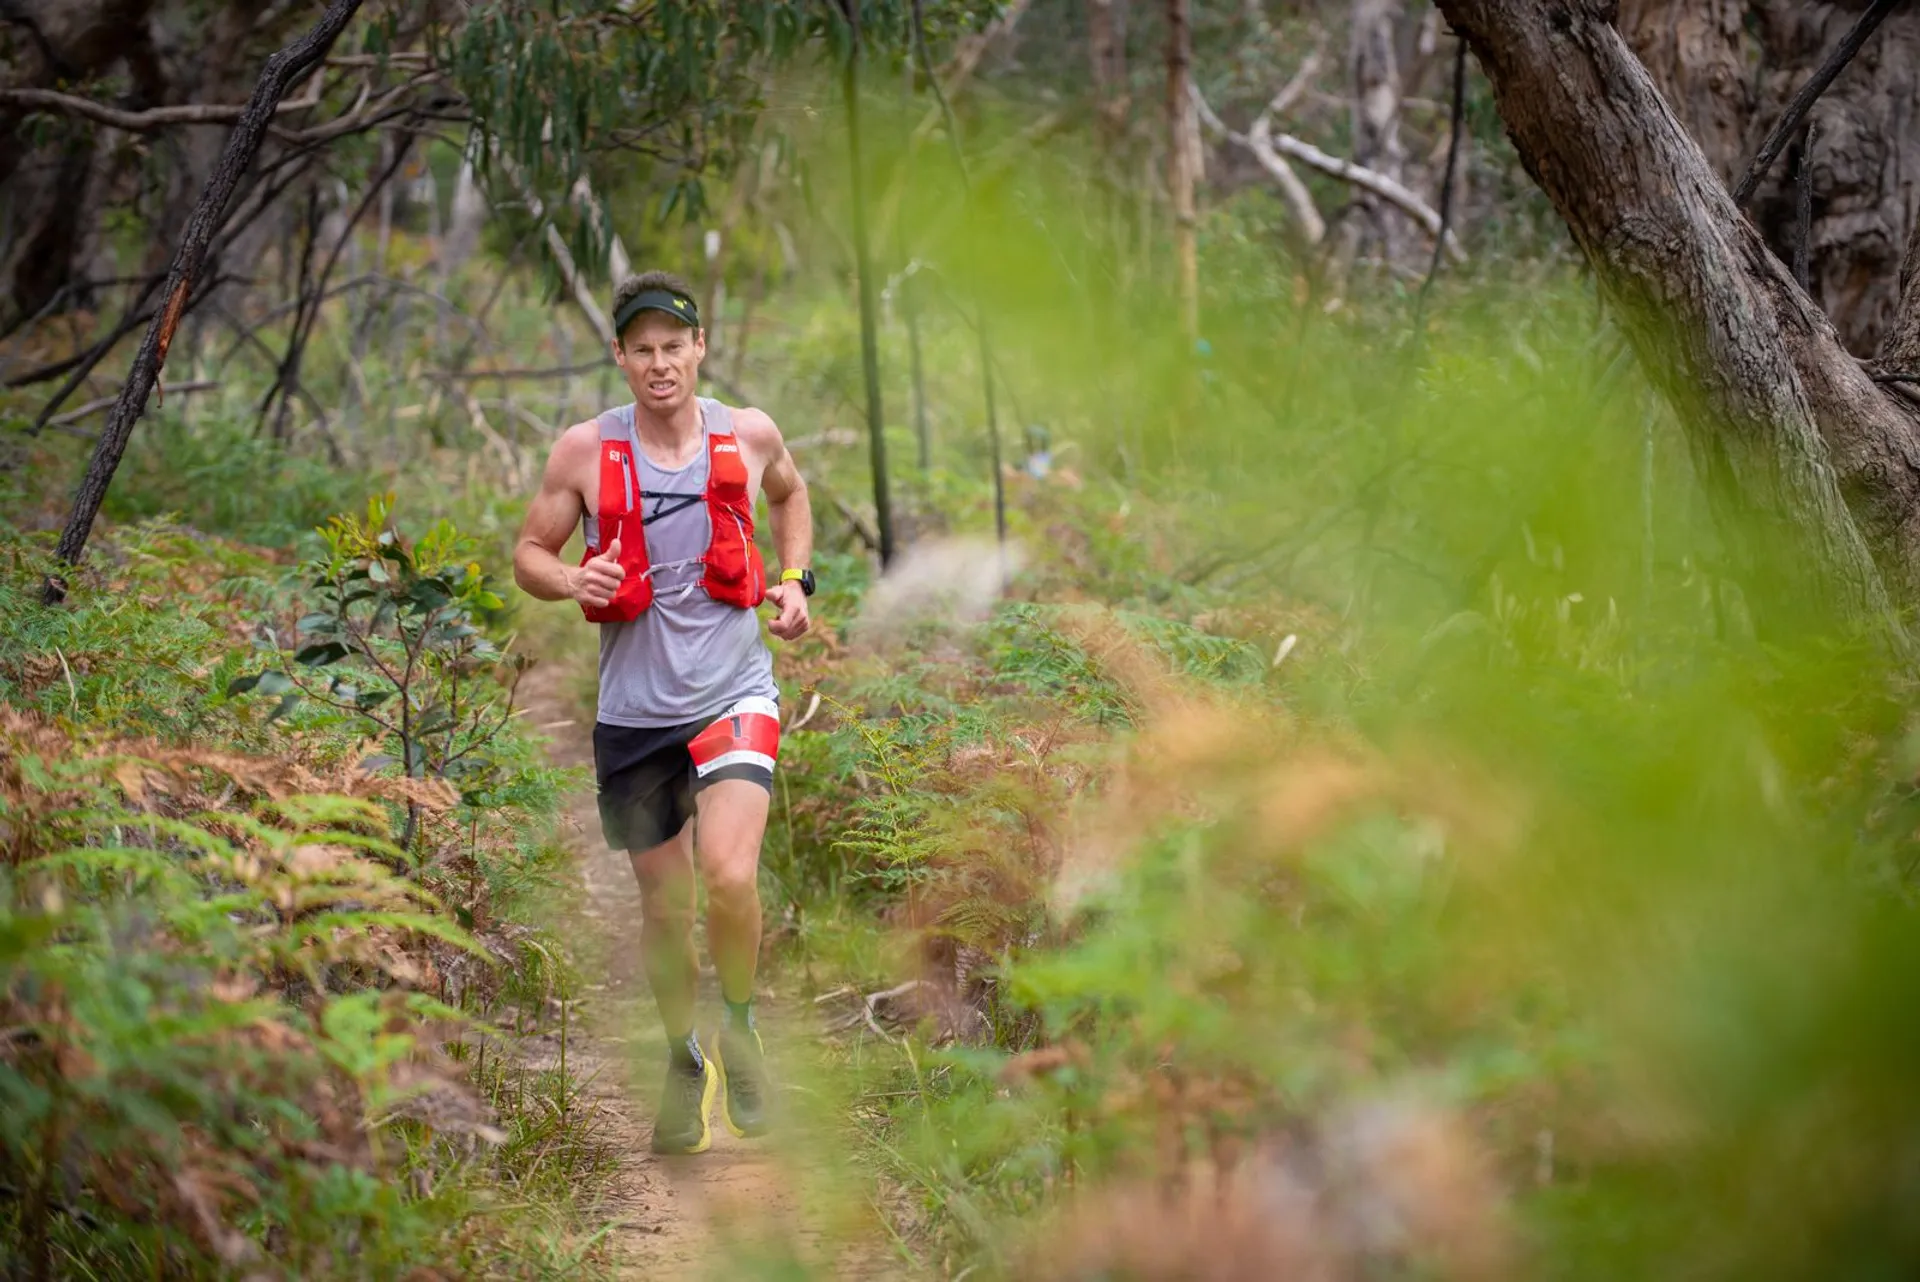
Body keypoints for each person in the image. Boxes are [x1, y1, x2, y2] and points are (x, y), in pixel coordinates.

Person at [513, 270, 815, 1155]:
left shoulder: (749, 434)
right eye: (641, 349)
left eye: (673, 346)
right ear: (620, 356)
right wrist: (572, 577)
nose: (659, 364)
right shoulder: (582, 452)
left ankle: (741, 1027)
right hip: (635, 715)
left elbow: (792, 496)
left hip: (735, 694)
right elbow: (530, 551)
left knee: (728, 875)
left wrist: (794, 582)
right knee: (663, 908)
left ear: (699, 348)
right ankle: (683, 1057)